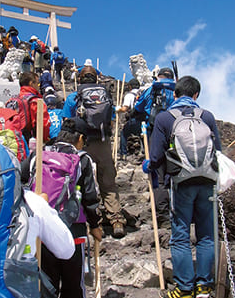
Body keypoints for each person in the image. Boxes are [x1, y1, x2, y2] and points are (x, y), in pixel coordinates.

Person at [143, 75, 222, 298]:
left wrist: (148, 166)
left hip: (180, 183)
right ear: (196, 95)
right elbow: (217, 150)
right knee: (206, 235)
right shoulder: (206, 116)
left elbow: (156, 156)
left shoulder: (166, 118)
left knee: (180, 237)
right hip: (207, 181)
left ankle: (185, 289)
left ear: (175, 94)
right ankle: (204, 285)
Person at [38, 118, 103, 298]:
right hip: (73, 229)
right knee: (74, 282)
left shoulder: (38, 156)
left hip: (43, 230)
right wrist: (95, 225)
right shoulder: (82, 159)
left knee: (47, 284)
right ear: (79, 138)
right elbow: (90, 195)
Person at [62, 65, 126, 238]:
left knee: (81, 180)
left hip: (81, 142)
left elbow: (67, 121)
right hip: (103, 142)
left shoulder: (73, 97)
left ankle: (90, 221)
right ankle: (116, 219)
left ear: (80, 79)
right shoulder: (105, 96)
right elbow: (112, 120)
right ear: (96, 79)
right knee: (107, 179)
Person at [134, 67, 176, 221]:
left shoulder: (152, 88)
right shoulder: (178, 89)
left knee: (158, 171)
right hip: (177, 132)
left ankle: (162, 215)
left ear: (158, 76)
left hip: (156, 132)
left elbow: (139, 106)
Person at [6, 71, 51, 145]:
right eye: (37, 83)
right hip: (30, 141)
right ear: (31, 83)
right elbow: (43, 123)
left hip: (13, 138)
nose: (38, 86)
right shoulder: (36, 101)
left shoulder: (14, 99)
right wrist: (44, 139)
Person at [116, 78, 141, 161]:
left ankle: (123, 154)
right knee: (144, 135)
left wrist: (118, 109)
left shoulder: (129, 95)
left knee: (123, 133)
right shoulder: (143, 93)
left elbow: (125, 108)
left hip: (134, 120)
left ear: (130, 86)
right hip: (145, 119)